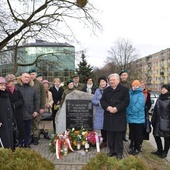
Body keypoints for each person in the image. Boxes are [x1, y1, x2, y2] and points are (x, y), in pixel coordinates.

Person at [100, 73, 130, 159]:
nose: (111, 81)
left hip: (119, 116)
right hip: (109, 115)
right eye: (110, 80)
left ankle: (119, 152)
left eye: (113, 80)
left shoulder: (124, 89)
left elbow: (126, 101)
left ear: (118, 80)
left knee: (118, 136)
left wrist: (117, 108)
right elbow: (102, 101)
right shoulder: (106, 90)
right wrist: (107, 107)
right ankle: (112, 151)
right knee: (110, 136)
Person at [15, 73, 40, 148]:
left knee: (28, 129)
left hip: (29, 112)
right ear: (21, 78)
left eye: (28, 77)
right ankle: (20, 143)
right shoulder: (16, 87)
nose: (27, 78)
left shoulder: (33, 88)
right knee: (19, 129)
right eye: (25, 77)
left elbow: (37, 100)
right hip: (19, 112)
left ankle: (27, 143)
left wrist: (36, 110)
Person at [5, 74, 26, 148]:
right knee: (12, 128)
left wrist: (16, 105)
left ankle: (21, 142)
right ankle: (12, 143)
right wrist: (11, 105)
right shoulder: (5, 91)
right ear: (7, 82)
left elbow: (22, 100)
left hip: (18, 112)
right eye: (11, 81)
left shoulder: (17, 90)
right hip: (10, 113)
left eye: (14, 81)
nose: (13, 83)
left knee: (20, 128)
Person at [126, 80, 145, 155]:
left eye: (136, 86)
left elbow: (139, 105)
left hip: (138, 118)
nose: (134, 87)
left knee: (138, 134)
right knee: (132, 134)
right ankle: (133, 147)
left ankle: (137, 148)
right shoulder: (130, 93)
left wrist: (130, 111)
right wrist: (127, 110)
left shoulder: (141, 94)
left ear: (139, 86)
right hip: (131, 118)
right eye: (133, 86)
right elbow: (127, 103)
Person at [151, 84, 170, 158]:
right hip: (157, 121)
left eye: (165, 89)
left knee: (167, 138)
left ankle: (165, 152)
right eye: (162, 88)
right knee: (156, 135)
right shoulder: (159, 99)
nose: (163, 90)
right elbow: (155, 110)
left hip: (166, 122)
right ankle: (159, 150)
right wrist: (153, 119)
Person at [29, 68, 46, 145]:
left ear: (36, 74)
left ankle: (36, 138)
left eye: (33, 74)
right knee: (29, 123)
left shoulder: (39, 84)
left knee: (36, 123)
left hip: (37, 107)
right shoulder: (27, 82)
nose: (32, 76)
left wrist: (42, 107)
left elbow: (43, 96)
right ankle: (30, 137)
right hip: (29, 107)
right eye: (30, 74)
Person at [92, 76, 108, 149]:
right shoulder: (97, 91)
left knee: (108, 127)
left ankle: (109, 141)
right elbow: (93, 100)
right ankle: (104, 141)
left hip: (108, 111)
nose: (102, 83)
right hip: (100, 112)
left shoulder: (109, 89)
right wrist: (98, 102)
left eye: (103, 82)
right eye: (101, 82)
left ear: (106, 82)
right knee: (102, 128)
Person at [0, 77, 14, 150]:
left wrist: (12, 119)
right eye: (1, 85)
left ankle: (9, 151)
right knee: (3, 138)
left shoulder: (6, 95)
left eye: (4, 85)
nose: (3, 87)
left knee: (9, 138)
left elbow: (9, 108)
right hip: (1, 121)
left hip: (7, 120)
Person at [119, 69, 131, 142]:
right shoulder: (118, 84)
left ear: (127, 76)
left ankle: (125, 135)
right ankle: (121, 135)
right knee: (121, 122)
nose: (123, 76)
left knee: (127, 123)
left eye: (125, 75)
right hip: (120, 105)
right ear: (120, 76)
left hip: (128, 105)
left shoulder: (130, 84)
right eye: (122, 75)